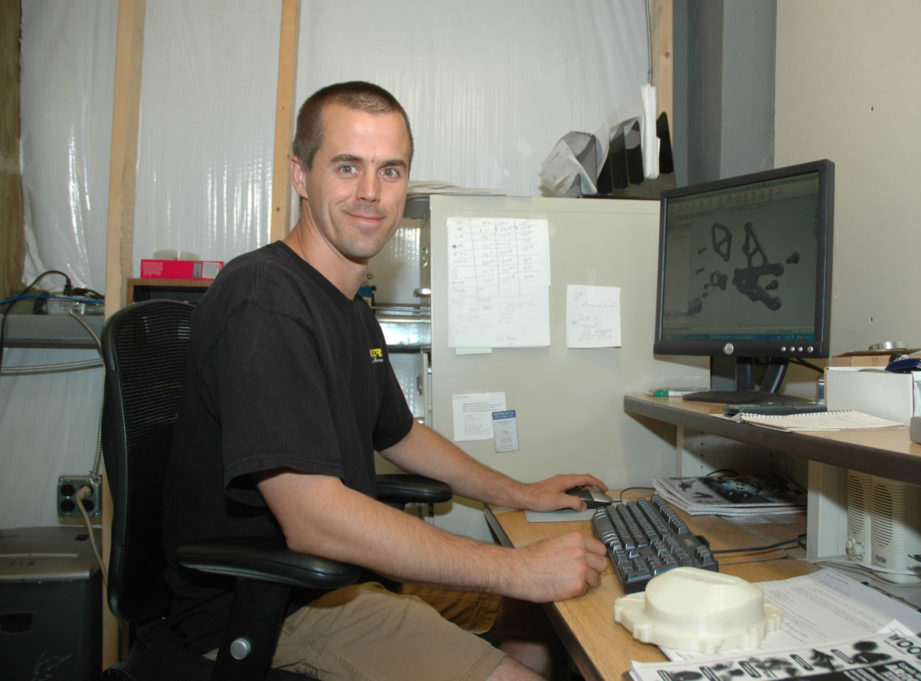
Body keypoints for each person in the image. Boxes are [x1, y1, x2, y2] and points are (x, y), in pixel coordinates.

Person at [163, 81, 609, 681]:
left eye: (390, 171)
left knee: (539, 617)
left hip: (341, 583)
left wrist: (521, 492)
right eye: (347, 167)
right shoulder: (265, 301)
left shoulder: (348, 306)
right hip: (273, 609)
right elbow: (314, 518)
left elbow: (401, 436)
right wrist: (519, 567)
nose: (370, 193)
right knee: (528, 605)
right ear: (301, 174)